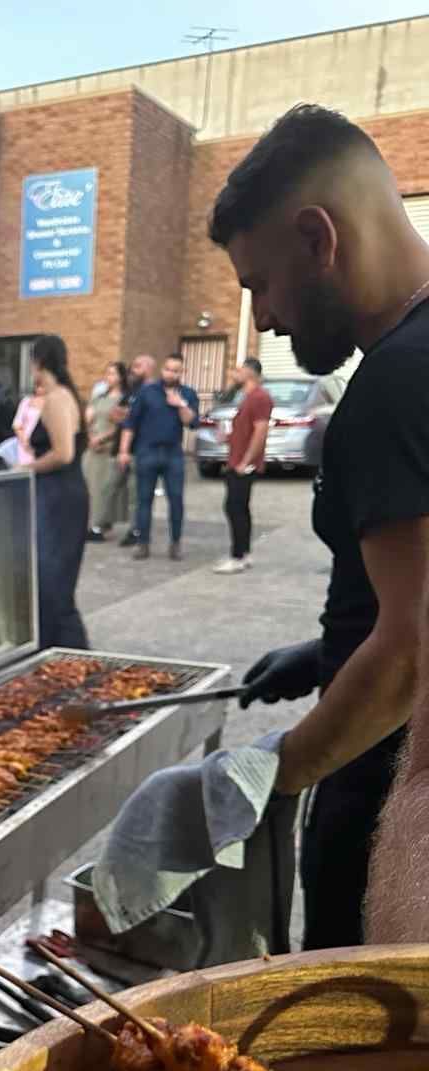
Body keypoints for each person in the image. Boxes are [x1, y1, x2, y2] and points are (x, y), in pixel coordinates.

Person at [208, 104, 429, 951]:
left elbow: (410, 653)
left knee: (347, 1065)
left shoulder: (393, 386)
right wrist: (325, 657)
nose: (262, 319)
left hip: (385, 817)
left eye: (258, 284)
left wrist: (279, 770)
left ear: (317, 237)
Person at [24, 334, 90, 650]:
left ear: (38, 362)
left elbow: (62, 453)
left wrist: (26, 468)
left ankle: (75, 659)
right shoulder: (67, 396)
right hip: (65, 495)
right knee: (53, 585)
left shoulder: (56, 399)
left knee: (53, 588)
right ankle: (58, 656)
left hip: (58, 499)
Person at [118, 353, 198, 561]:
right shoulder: (147, 392)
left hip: (173, 454)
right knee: (144, 500)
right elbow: (130, 423)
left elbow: (191, 422)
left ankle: (175, 543)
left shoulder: (187, 394)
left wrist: (180, 404)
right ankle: (143, 543)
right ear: (162, 369)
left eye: (175, 370)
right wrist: (124, 451)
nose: (170, 373)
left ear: (182, 372)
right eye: (167, 369)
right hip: (147, 451)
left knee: (176, 500)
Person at [214, 358, 272, 575]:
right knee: (239, 508)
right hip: (236, 460)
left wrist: (246, 461)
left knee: (235, 508)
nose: (234, 374)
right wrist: (227, 437)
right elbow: (245, 431)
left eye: (238, 370)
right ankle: (244, 553)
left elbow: (260, 431)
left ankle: (237, 556)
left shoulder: (259, 397)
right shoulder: (247, 398)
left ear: (249, 372)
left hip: (243, 465)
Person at [112, 354, 155, 546]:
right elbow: (116, 414)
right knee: (120, 491)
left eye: (137, 366)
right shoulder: (131, 392)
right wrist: (128, 416)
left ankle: (137, 530)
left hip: (142, 450)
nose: (132, 370)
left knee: (138, 494)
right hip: (125, 449)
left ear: (148, 368)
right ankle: (108, 524)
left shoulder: (154, 391)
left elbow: (146, 418)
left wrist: (130, 416)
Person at [84, 361, 129, 542]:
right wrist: (90, 438)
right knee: (90, 485)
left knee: (105, 488)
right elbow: (87, 419)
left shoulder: (124, 399)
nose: (108, 377)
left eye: (112, 374)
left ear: (120, 377)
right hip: (92, 447)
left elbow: (122, 425)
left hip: (109, 447)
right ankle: (92, 523)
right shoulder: (98, 397)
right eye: (107, 373)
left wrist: (102, 439)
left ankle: (101, 523)